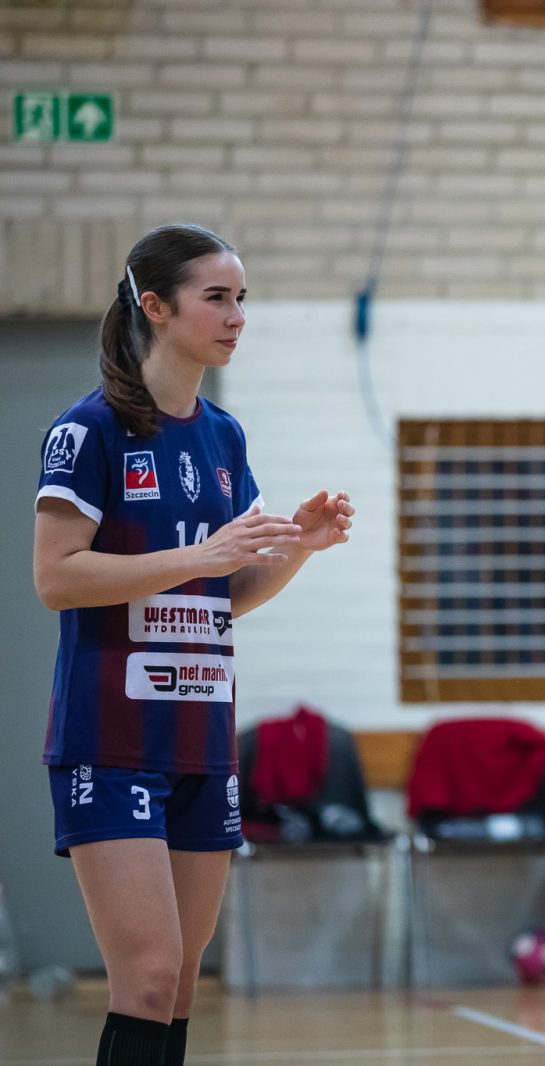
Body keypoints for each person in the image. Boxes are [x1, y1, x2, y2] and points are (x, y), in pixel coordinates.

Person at [32, 223, 354, 1066]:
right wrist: (198, 557)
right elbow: (56, 577)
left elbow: (225, 594)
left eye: (241, 299)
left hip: (202, 741)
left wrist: (298, 549)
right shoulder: (88, 430)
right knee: (145, 976)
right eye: (217, 297)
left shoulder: (223, 437)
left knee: (177, 985)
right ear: (155, 306)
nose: (237, 316)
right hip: (113, 742)